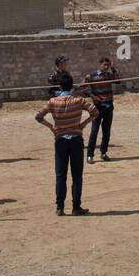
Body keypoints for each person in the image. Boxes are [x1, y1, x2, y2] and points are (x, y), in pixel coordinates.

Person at [36, 72, 98, 215]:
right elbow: (94, 112)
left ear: (59, 86)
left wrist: (51, 126)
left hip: (60, 139)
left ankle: (60, 207)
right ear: (72, 86)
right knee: (77, 175)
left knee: (60, 174)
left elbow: (38, 116)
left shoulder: (53, 101)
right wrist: (82, 125)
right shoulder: (79, 100)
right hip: (76, 139)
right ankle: (76, 207)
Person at [83, 56, 119, 163]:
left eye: (108, 65)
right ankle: (90, 155)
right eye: (105, 65)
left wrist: (113, 68)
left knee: (106, 131)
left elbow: (118, 81)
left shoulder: (109, 75)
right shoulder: (92, 76)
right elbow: (82, 87)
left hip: (108, 106)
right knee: (94, 131)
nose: (106, 67)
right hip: (98, 107)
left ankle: (103, 153)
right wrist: (92, 96)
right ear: (100, 64)